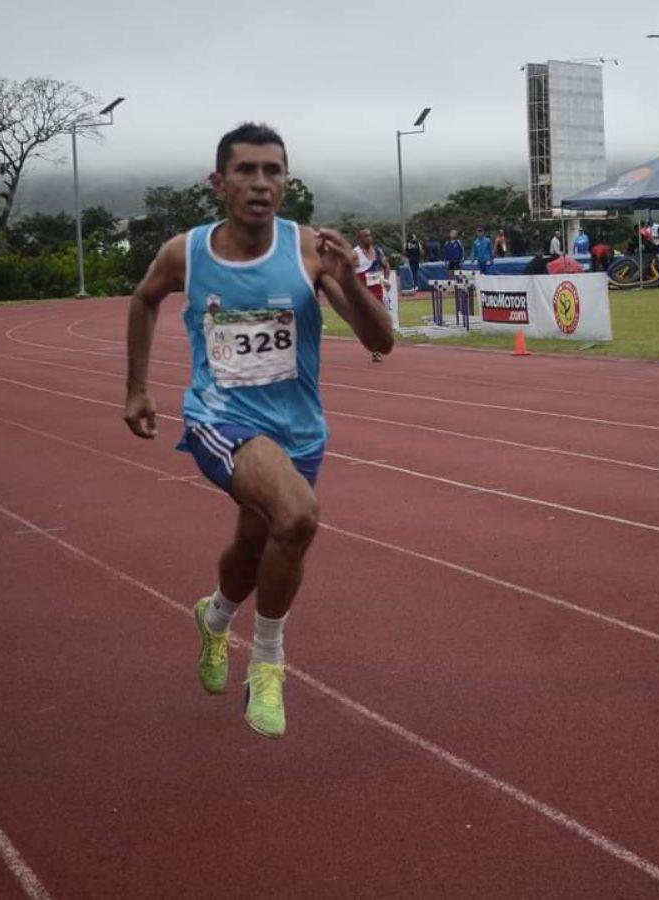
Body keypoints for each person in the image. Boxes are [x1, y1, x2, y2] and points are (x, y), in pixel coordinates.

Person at [122, 122, 394, 739]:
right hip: (220, 419)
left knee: (257, 544)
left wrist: (347, 277)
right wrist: (138, 387)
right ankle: (268, 664)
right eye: (246, 171)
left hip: (299, 430)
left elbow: (382, 341)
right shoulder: (185, 253)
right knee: (297, 515)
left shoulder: (308, 252)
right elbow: (144, 299)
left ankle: (215, 618)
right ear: (218, 183)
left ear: (286, 181)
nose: (261, 184)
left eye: (273, 171)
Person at [355, 228, 391, 361]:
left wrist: (386, 280)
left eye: (370, 235)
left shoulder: (378, 251)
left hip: (378, 292)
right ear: (359, 239)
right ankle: (376, 349)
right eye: (365, 236)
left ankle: (376, 347)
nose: (369, 238)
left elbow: (386, 267)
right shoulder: (355, 254)